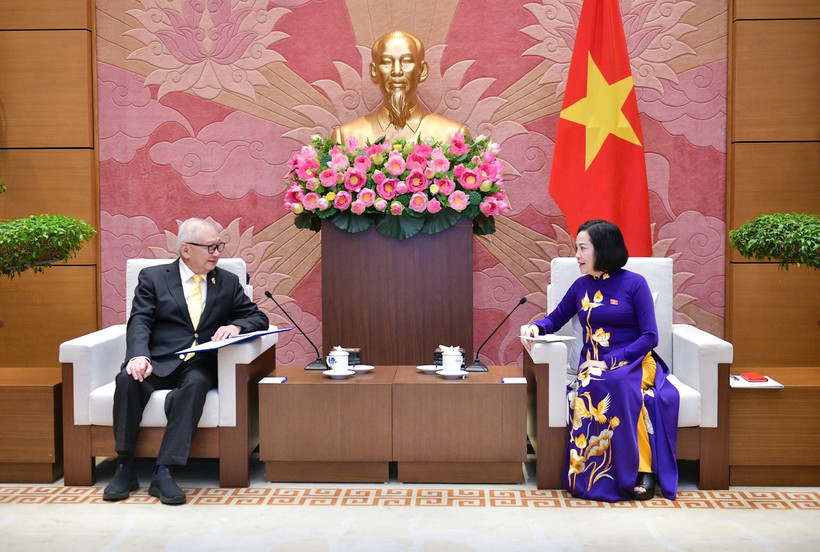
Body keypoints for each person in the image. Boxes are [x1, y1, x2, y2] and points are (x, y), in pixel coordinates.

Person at [103, 218, 269, 504]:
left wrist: (237, 326)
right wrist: (138, 355)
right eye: (210, 247)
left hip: (200, 363)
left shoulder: (227, 282)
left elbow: (259, 317)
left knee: (195, 385)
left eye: (219, 246)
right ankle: (124, 466)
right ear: (185, 249)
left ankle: (164, 471)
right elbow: (140, 319)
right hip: (159, 358)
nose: (217, 253)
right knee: (127, 380)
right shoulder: (153, 278)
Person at [521, 220, 679, 502]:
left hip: (635, 361)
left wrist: (611, 361)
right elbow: (555, 319)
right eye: (576, 248)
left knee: (615, 381)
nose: (577, 255)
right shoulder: (580, 286)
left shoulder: (635, 284)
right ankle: (591, 474)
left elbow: (650, 336)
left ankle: (642, 471)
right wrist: (537, 327)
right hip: (591, 367)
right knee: (594, 382)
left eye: (583, 248)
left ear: (602, 249)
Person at [330, 30, 469, 144]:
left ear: (422, 71)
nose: (397, 71)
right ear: (374, 72)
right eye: (387, 62)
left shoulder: (454, 136)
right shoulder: (345, 137)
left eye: (407, 61)